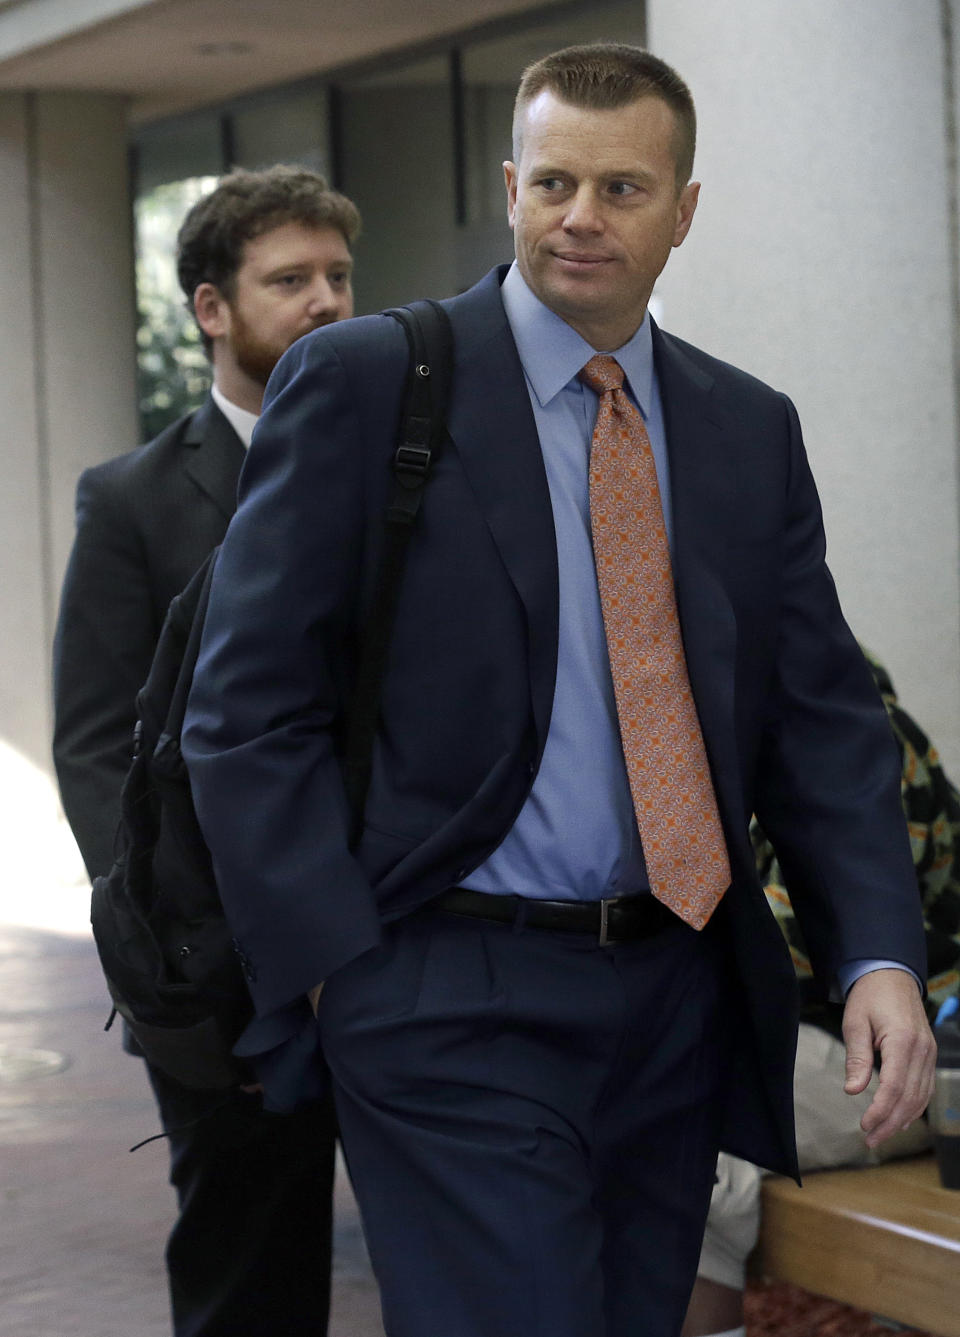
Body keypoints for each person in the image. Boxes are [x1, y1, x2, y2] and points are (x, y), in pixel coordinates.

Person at [182, 44, 936, 1337]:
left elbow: (821, 719)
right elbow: (246, 708)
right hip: (444, 989)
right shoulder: (373, 383)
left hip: (672, 1004)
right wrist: (333, 966)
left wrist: (877, 954)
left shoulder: (745, 428)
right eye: (556, 183)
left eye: (624, 189)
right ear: (514, 183)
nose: (581, 216)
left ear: (684, 210)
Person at [52, 164, 360, 1337]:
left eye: (338, 275)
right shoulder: (132, 499)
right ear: (212, 308)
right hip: (218, 972)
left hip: (399, 942)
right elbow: (95, 744)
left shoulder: (404, 474)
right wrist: (166, 951)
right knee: (250, 1273)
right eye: (289, 280)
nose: (325, 301)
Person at [685, 648, 960, 1337]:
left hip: (911, 1062)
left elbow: (793, 944)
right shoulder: (746, 733)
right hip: (816, 1040)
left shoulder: (861, 736)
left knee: (679, 1128)